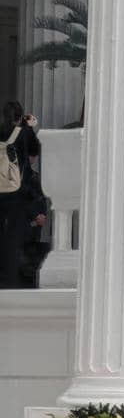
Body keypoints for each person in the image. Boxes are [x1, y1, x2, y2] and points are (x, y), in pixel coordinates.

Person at [0, 102, 40, 288]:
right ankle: (10, 279)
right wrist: (30, 127)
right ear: (20, 116)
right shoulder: (24, 132)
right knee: (14, 235)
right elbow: (34, 154)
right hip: (17, 189)